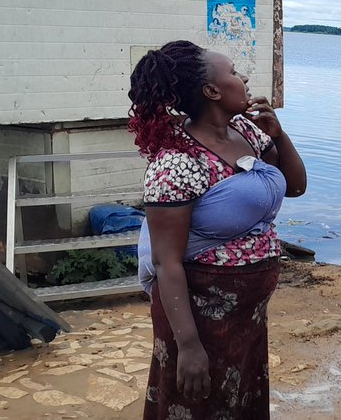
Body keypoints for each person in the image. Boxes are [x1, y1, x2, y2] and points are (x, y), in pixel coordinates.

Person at [128, 40, 307, 420]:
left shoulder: (248, 131)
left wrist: (279, 134)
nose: (243, 78)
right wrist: (189, 345)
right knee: (194, 404)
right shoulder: (176, 162)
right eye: (233, 72)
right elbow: (166, 262)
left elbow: (294, 186)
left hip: (247, 315)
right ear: (212, 91)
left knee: (241, 398)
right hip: (198, 316)